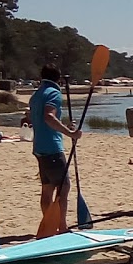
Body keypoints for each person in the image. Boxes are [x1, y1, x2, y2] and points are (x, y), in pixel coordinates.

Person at [29, 64, 81, 235]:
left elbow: (44, 119)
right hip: (52, 147)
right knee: (63, 186)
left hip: (39, 147)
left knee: (47, 187)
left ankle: (48, 222)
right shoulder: (53, 93)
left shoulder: (36, 94)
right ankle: (62, 226)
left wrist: (65, 126)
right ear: (58, 79)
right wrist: (70, 133)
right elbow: (49, 117)